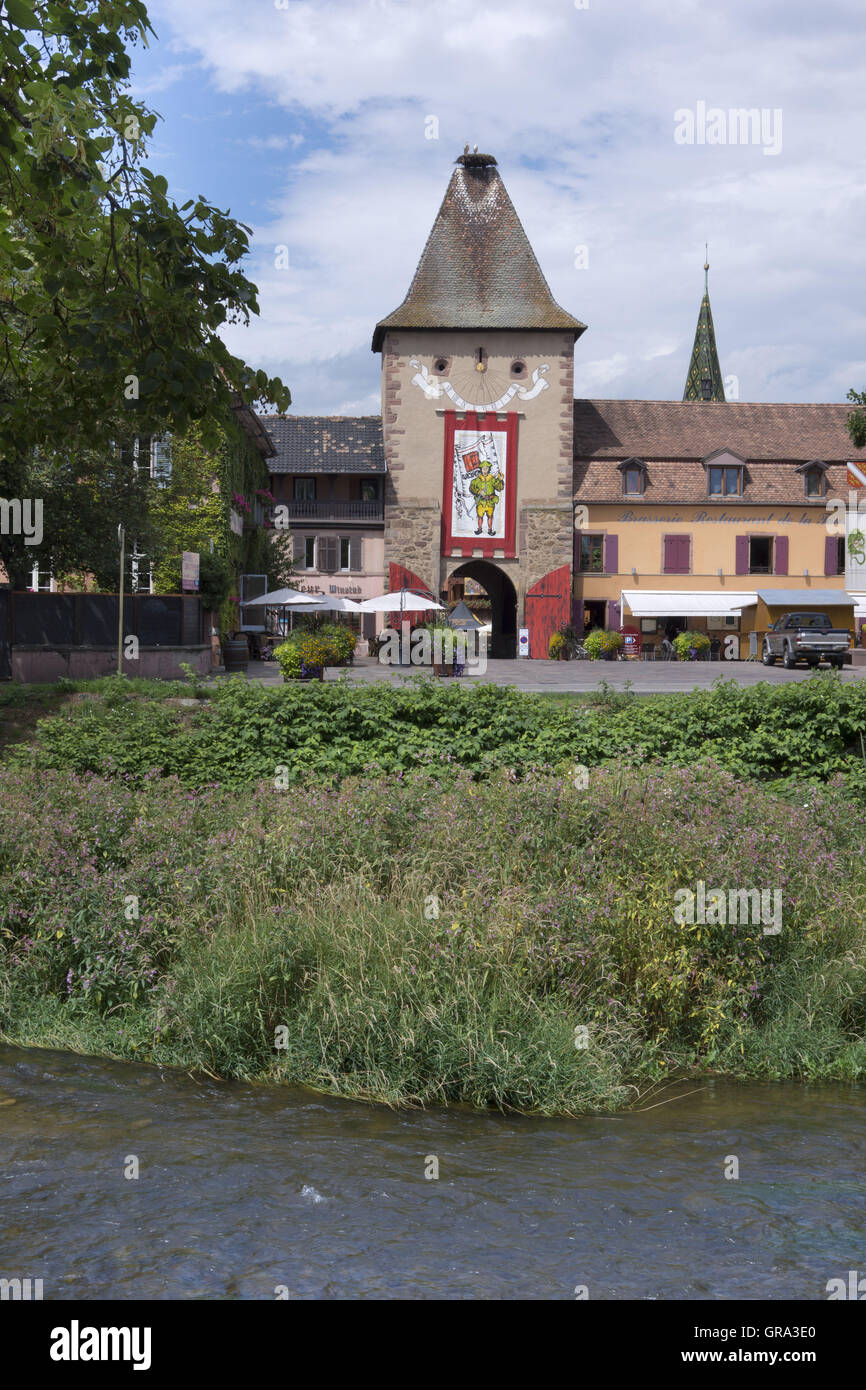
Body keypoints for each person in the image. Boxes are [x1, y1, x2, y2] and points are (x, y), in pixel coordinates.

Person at [469, 460, 504, 536]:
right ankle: (479, 529)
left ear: (489, 469)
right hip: (481, 502)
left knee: (490, 516)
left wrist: (500, 480)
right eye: (483, 468)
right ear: (481, 469)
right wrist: (478, 491)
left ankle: (490, 530)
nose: (485, 470)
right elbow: (471, 488)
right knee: (480, 516)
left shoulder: (492, 479)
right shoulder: (477, 480)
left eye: (486, 468)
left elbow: (499, 488)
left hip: (490, 502)